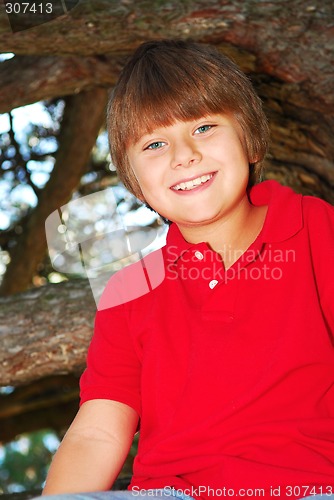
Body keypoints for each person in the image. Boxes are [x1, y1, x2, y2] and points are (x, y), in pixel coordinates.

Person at [41, 40, 334, 499]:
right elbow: (97, 433)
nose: (183, 155)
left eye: (203, 127)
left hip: (312, 486)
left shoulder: (317, 231)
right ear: (134, 180)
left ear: (250, 138)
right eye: (155, 143)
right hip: (169, 493)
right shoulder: (128, 291)